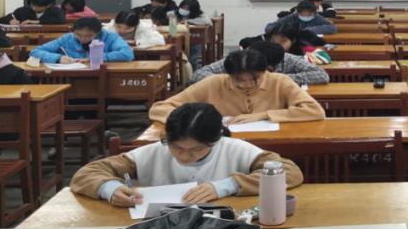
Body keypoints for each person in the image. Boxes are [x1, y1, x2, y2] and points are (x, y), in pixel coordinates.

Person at [71, 103, 303, 207]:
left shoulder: (235, 149)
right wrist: (110, 189)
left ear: (215, 140)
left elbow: (290, 172)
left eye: (196, 149)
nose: (184, 156)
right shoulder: (155, 152)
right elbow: (87, 174)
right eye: (177, 148)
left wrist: (228, 185)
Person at [148, 49, 325, 130]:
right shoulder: (213, 83)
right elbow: (159, 109)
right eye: (239, 80)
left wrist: (263, 115)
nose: (247, 84)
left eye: (255, 79)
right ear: (229, 74)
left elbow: (314, 110)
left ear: (265, 71)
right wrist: (198, 123)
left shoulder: (280, 81)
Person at [194, 41, 329, 86]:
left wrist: (280, 78)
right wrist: (234, 79)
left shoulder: (287, 58)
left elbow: (321, 75)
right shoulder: (240, 59)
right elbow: (198, 75)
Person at [29, 17, 134, 64]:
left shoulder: (110, 37)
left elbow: (127, 54)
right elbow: (35, 52)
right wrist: (58, 58)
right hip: (71, 77)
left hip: (101, 76)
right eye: (78, 35)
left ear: (98, 33)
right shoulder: (67, 38)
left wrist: (95, 58)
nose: (83, 39)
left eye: (89, 36)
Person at [265, 0, 337, 36]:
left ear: (314, 12)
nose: (306, 16)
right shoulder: (293, 17)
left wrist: (308, 30)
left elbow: (332, 28)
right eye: (303, 14)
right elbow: (269, 27)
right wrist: (286, 30)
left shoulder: (317, 17)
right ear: (298, 12)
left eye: (309, 14)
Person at [177, 0, 212, 68]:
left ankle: (193, 70)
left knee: (193, 55)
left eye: (187, 8)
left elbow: (207, 21)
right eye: (183, 8)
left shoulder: (200, 15)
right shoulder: (176, 14)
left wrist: (188, 21)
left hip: (194, 39)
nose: (184, 10)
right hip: (180, 38)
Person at [0, 0, 66, 25]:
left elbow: (60, 20)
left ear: (48, 5)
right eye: (32, 5)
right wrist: (10, 20)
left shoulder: (56, 11)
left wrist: (36, 22)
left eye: (38, 6)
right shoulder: (23, 10)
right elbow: (3, 19)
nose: (33, 8)